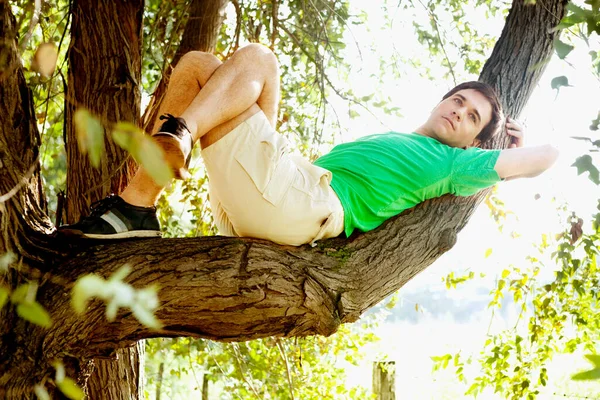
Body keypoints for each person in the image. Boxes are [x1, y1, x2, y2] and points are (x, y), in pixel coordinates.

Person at [59, 44, 559, 245]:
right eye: (458, 100)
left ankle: (177, 141)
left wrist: (515, 141)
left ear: (475, 141)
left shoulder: (454, 165)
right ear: (442, 99)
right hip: (273, 199)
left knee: (260, 60)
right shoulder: (408, 142)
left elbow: (546, 159)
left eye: (473, 117)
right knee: (197, 69)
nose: (459, 111)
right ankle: (135, 208)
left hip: (303, 203)